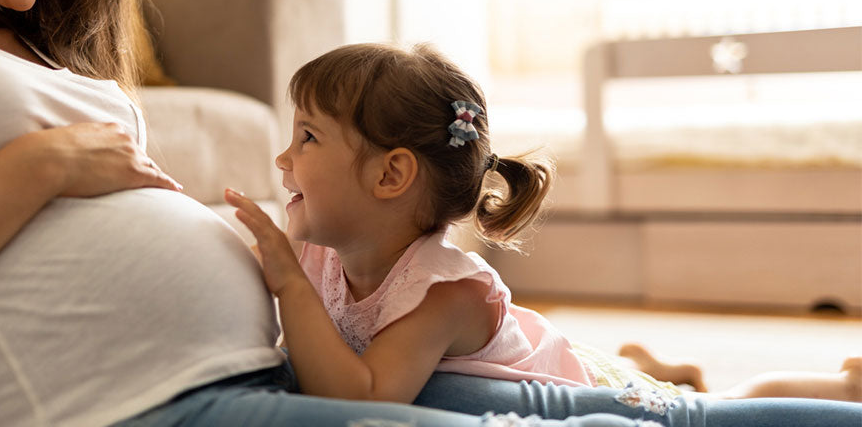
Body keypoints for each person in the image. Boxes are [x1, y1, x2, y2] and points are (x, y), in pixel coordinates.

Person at [0, 0, 860, 426]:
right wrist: (38, 168)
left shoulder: (35, 41)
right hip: (141, 404)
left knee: (659, 415)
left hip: (296, 361)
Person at [224, 42, 862, 404]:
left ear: (391, 175)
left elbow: (363, 399)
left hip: (586, 394)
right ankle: (654, 365)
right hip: (564, 356)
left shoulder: (445, 293)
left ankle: (840, 385)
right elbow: (243, 295)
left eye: (307, 137)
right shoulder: (320, 251)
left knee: (727, 408)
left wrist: (290, 286)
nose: (283, 159)